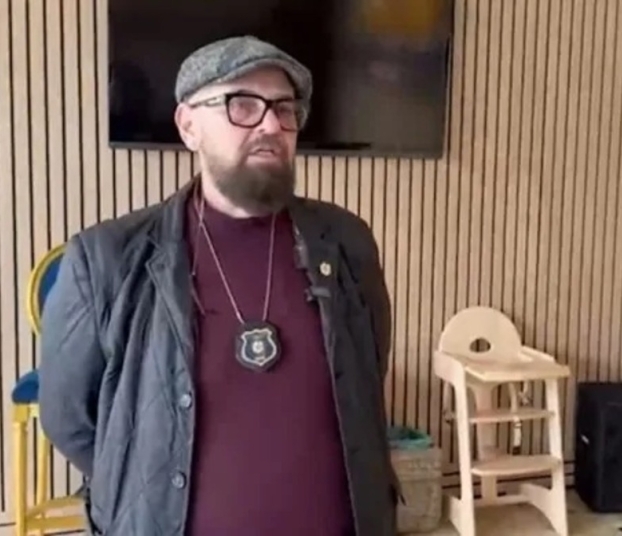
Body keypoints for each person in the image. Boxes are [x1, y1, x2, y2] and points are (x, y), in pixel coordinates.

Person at [38, 35, 399, 536]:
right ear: (189, 126)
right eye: (242, 104)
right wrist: (146, 485)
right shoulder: (107, 259)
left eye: (284, 109)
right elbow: (69, 419)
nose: (271, 125)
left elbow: (366, 375)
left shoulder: (346, 243)